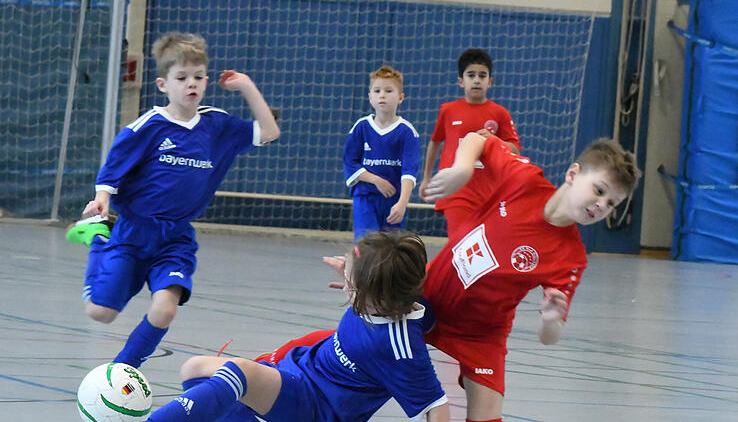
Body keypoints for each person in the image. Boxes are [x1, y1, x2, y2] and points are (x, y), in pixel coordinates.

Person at [67, 32, 280, 369]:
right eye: (181, 78)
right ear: (163, 84)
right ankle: (98, 238)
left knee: (165, 309)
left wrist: (246, 86)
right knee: (101, 313)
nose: (190, 84)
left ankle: (123, 371)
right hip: (134, 232)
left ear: (207, 81)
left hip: (175, 238)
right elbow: (113, 169)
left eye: (197, 77)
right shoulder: (148, 127)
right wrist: (101, 198)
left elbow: (269, 131)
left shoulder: (217, 126)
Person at [419, 132, 641, 421]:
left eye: (612, 203)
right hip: (428, 294)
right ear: (573, 173)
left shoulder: (571, 257)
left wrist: (550, 320)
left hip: (481, 333)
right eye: (599, 190)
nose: (601, 205)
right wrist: (461, 170)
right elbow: (478, 139)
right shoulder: (522, 178)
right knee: (357, 360)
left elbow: (550, 337)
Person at [145, 231, 449, 422]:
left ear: (376, 295)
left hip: (317, 406)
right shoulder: (389, 298)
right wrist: (354, 274)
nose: (347, 287)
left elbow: (436, 404)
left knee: (240, 373)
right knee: (194, 369)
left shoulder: (400, 347)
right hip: (303, 371)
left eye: (352, 285)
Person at [418, 48, 522, 239]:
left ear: (489, 82)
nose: (476, 80)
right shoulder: (448, 110)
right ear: (461, 81)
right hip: (457, 192)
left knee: (486, 248)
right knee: (460, 244)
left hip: (489, 193)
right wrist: (426, 177)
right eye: (471, 75)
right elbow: (435, 142)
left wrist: (494, 141)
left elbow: (515, 149)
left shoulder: (500, 113)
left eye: (482, 76)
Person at [343, 65, 420, 241]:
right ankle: (357, 268)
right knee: (367, 245)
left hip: (393, 201)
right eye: (377, 91)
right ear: (370, 97)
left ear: (400, 98)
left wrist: (402, 204)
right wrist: (376, 180)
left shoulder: (407, 132)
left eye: (388, 90)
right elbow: (350, 161)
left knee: (390, 249)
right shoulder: (361, 127)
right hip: (365, 198)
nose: (382, 95)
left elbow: (409, 171)